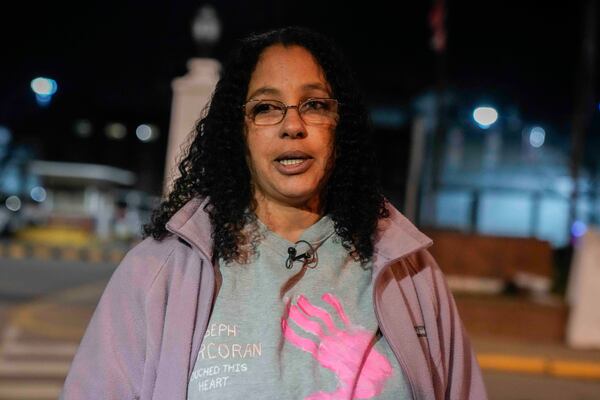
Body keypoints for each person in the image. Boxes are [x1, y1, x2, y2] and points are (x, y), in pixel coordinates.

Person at [61, 26, 487, 400]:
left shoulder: (409, 273)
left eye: (315, 104)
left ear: (341, 125)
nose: (292, 125)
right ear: (238, 131)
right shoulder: (161, 271)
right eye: (266, 107)